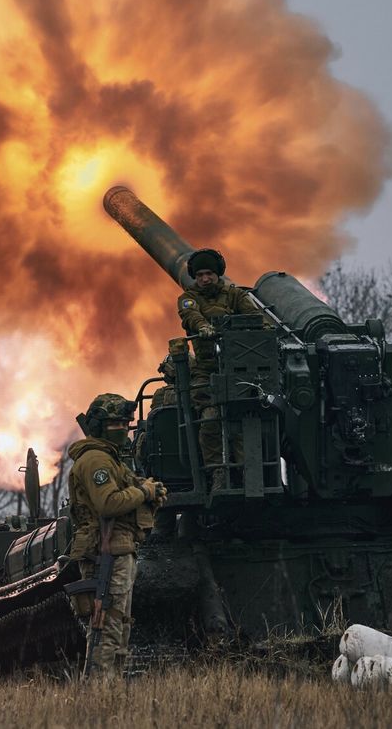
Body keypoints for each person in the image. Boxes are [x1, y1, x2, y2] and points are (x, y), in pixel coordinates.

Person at [66, 394, 166, 677]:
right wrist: (144, 492)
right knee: (106, 625)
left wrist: (149, 492)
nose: (123, 428)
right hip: (106, 551)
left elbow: (128, 494)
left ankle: (111, 689)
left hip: (119, 548)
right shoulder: (97, 460)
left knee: (119, 624)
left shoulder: (112, 460)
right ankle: (99, 689)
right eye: (115, 423)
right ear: (98, 426)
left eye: (125, 422)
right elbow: (108, 503)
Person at [175, 248, 263, 490]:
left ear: (218, 274)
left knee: (245, 421)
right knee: (210, 420)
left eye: (210, 274)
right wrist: (204, 326)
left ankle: (250, 475)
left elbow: (256, 319)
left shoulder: (235, 296)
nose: (205, 279)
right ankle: (218, 474)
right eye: (200, 274)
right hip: (207, 372)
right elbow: (190, 315)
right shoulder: (188, 297)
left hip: (239, 371)